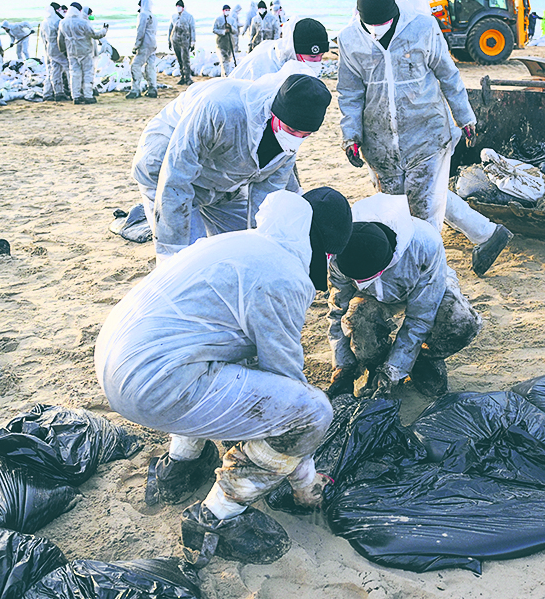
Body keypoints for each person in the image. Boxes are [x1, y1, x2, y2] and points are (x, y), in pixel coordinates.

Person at [95, 187, 353, 565]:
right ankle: (216, 516)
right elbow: (285, 384)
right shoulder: (283, 276)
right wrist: (304, 481)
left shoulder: (240, 242)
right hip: (153, 383)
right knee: (313, 411)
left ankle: (178, 467)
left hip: (116, 359)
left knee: (215, 359)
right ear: (322, 247)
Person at [338, 0, 513, 276]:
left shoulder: (422, 28)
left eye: (383, 23)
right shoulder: (350, 40)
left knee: (424, 212)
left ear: (395, 11)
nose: (377, 29)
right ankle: (486, 233)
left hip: (427, 136)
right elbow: (350, 92)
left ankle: (432, 280)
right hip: (381, 146)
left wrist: (465, 117)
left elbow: (448, 75)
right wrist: (351, 136)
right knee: (396, 212)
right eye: (371, 24)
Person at [133, 66, 331, 261]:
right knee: (190, 258)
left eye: (305, 135)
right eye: (291, 129)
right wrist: (173, 252)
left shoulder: (288, 146)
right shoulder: (221, 107)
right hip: (165, 167)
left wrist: (261, 244)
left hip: (222, 185)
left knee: (240, 251)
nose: (296, 138)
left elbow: (267, 199)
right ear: (274, 113)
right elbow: (175, 176)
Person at [326, 193, 483, 400]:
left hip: (424, 285)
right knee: (357, 320)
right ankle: (376, 363)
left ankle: (422, 359)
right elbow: (338, 311)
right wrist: (343, 367)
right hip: (371, 297)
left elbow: (421, 317)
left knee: (460, 321)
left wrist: (394, 369)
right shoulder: (339, 252)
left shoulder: (424, 244)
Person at [231, 18, 329, 81]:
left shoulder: (293, 61)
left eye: (322, 55)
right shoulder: (266, 67)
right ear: (295, 51)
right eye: (313, 56)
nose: (317, 61)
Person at [59, 2, 108, 104]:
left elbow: (60, 40)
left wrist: (63, 50)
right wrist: (104, 30)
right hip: (85, 51)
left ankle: (76, 96)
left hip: (71, 52)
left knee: (74, 74)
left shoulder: (63, 23)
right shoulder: (83, 22)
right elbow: (94, 35)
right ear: (79, 10)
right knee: (88, 73)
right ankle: (88, 96)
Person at [128, 0, 158, 99]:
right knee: (150, 66)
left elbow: (140, 31)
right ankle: (152, 88)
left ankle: (135, 89)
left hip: (145, 43)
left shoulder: (143, 15)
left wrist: (136, 46)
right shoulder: (153, 16)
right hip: (153, 43)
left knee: (135, 65)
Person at [41, 2, 70, 101]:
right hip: (58, 48)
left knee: (54, 70)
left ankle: (51, 93)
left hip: (49, 49)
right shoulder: (58, 21)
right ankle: (72, 91)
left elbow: (43, 38)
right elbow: (62, 37)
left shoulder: (44, 22)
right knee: (68, 68)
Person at [169, 0, 195, 85]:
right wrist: (169, 41)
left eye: (180, 6)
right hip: (175, 40)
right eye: (177, 6)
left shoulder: (188, 16)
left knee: (186, 60)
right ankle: (182, 77)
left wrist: (193, 42)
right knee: (179, 60)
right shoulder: (174, 16)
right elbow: (170, 29)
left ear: (183, 7)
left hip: (185, 40)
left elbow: (192, 29)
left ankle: (188, 78)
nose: (178, 8)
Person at [212, 5, 239, 75]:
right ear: (223, 11)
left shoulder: (232, 20)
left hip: (230, 42)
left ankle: (224, 74)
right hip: (221, 42)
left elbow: (236, 31)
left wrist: (231, 28)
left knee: (228, 59)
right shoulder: (218, 19)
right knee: (223, 59)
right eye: (226, 10)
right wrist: (223, 31)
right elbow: (214, 30)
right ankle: (226, 74)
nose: (227, 11)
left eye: (228, 10)